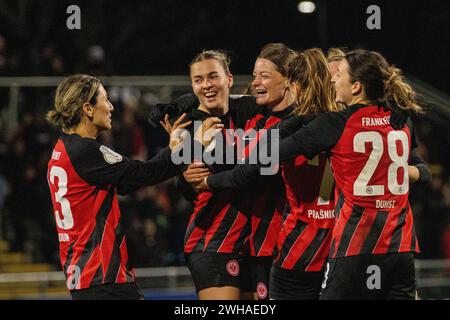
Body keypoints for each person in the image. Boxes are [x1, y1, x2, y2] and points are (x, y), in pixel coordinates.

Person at [199, 49, 431, 299]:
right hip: (399, 245)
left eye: (339, 74)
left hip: (333, 247)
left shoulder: (330, 125)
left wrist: (207, 178)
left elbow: (258, 160)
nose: (333, 80)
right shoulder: (400, 121)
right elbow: (424, 172)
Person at [46, 74, 190, 300]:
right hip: (103, 277)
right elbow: (144, 174)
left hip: (87, 277)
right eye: (105, 99)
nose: (111, 107)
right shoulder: (85, 151)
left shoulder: (62, 150)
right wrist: (184, 148)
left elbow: (125, 184)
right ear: (88, 109)